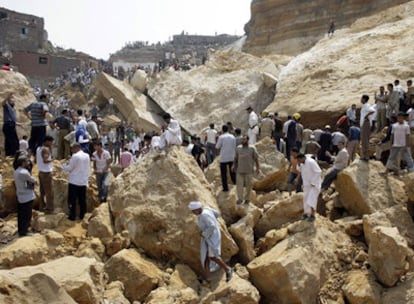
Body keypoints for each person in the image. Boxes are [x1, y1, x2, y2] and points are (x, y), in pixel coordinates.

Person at [188, 201, 233, 283]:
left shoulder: (204, 215)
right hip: (210, 236)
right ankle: (207, 277)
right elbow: (217, 214)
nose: (193, 213)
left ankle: (228, 269)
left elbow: (211, 226)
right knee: (206, 256)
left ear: (198, 209)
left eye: (193, 211)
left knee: (212, 256)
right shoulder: (207, 209)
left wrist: (204, 234)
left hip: (212, 237)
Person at [63, 143, 91, 221]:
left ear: (76, 148)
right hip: (83, 181)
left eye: (72, 149)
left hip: (74, 181)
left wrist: (63, 167)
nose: (72, 151)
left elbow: (70, 168)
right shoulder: (87, 156)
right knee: (82, 199)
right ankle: (83, 215)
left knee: (72, 199)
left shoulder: (75, 156)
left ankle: (72, 216)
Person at [232, 135, 259, 204]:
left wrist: (257, 168)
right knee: (239, 186)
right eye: (242, 139)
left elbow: (256, 159)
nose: (243, 141)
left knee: (249, 186)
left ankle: (247, 199)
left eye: (244, 139)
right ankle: (240, 199)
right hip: (240, 170)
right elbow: (235, 158)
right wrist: (233, 166)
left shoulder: (252, 148)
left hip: (249, 170)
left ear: (247, 140)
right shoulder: (238, 148)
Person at [14, 156, 36, 237]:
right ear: (23, 163)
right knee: (27, 215)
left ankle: (21, 230)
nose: (28, 163)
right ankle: (24, 231)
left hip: (20, 195)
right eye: (27, 161)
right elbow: (33, 180)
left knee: (21, 214)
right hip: (27, 196)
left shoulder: (16, 171)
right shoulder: (24, 172)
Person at [296, 153, 322, 222]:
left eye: (299, 160)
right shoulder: (301, 163)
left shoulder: (311, 162)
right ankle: (306, 214)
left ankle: (312, 215)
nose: (298, 162)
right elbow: (299, 170)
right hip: (306, 185)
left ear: (302, 158)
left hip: (314, 185)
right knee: (306, 200)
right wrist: (298, 165)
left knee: (312, 200)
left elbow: (318, 171)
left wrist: (313, 182)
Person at [36, 136, 55, 214]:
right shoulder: (46, 149)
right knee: (49, 192)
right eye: (51, 142)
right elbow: (45, 160)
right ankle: (49, 209)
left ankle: (42, 206)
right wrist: (52, 159)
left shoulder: (38, 148)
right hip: (46, 172)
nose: (51, 143)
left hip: (40, 171)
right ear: (47, 141)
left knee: (42, 191)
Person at [216, 125, 236, 192]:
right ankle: (235, 185)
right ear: (228, 129)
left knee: (224, 174)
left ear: (222, 130)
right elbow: (234, 146)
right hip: (232, 157)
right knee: (232, 173)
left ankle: (225, 188)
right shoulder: (233, 137)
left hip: (224, 157)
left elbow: (217, 147)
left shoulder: (221, 137)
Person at [360, 95, 375, 161]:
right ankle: (365, 155)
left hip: (365, 124)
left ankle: (366, 156)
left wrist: (366, 116)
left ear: (364, 99)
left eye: (362, 98)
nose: (361, 100)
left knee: (365, 140)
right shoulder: (364, 106)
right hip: (364, 124)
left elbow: (372, 111)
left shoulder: (367, 105)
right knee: (364, 140)